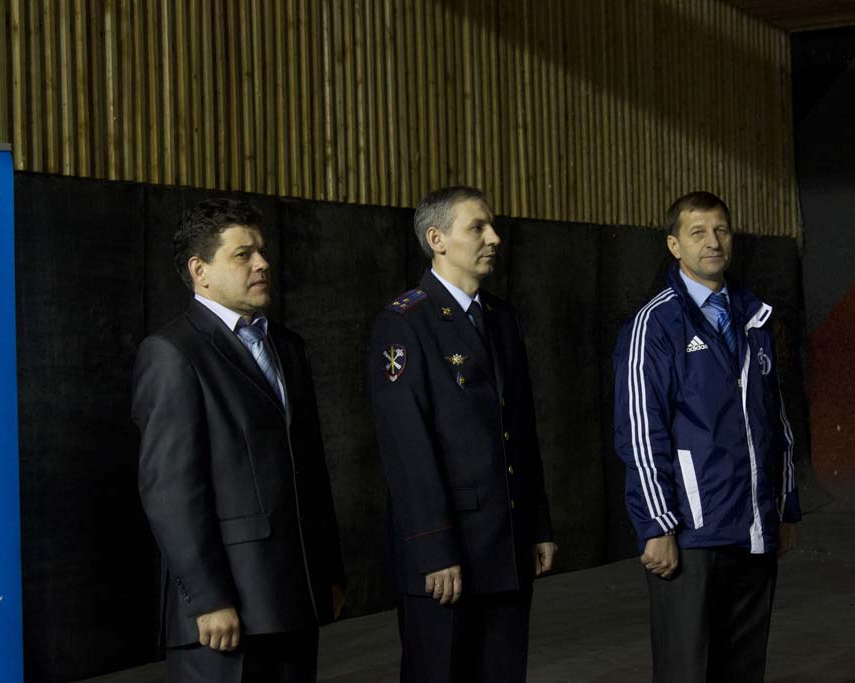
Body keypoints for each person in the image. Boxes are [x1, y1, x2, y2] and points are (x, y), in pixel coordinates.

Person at [132, 198, 345, 683]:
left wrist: (327, 573)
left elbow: (310, 467)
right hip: (223, 614)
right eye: (243, 254)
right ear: (200, 271)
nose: (262, 263)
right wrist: (209, 599)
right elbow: (170, 492)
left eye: (262, 251)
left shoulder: (288, 346)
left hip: (295, 597)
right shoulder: (171, 352)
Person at [368, 186, 557, 682]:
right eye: (477, 227)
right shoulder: (404, 323)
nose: (494, 238)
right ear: (437, 240)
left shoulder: (501, 317)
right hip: (447, 554)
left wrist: (537, 524)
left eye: (492, 226)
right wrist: (434, 550)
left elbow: (521, 430)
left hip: (506, 543)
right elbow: (407, 448)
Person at [613, 191, 800, 683]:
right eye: (698, 233)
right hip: (690, 533)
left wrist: (784, 508)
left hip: (753, 529)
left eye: (721, 230)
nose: (713, 242)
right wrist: (657, 524)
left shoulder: (755, 318)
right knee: (688, 672)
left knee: (743, 671)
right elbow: (640, 432)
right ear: (674, 245)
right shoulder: (654, 325)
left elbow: (776, 420)